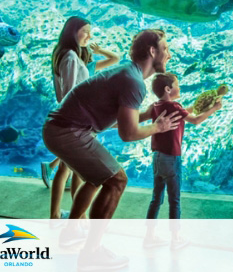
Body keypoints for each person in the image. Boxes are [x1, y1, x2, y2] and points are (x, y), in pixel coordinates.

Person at [42, 29, 182, 270]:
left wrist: (149, 114)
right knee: (116, 180)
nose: (168, 54)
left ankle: (71, 231)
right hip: (67, 132)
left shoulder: (128, 74)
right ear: (152, 51)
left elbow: (120, 118)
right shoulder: (133, 81)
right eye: (165, 48)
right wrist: (158, 127)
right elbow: (127, 133)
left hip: (62, 129)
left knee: (98, 178)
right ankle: (91, 252)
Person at [42, 16, 121, 220]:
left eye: (90, 31)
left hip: (77, 120)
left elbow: (114, 59)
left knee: (76, 171)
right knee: (67, 169)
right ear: (72, 31)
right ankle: (59, 215)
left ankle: (75, 215)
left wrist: (98, 51)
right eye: (85, 31)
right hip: (74, 121)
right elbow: (70, 93)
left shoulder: (75, 57)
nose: (89, 35)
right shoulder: (69, 57)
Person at [142, 72, 223, 249]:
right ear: (168, 89)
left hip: (157, 158)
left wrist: (194, 106)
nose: (180, 87)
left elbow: (182, 112)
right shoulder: (176, 106)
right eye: (177, 84)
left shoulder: (155, 106)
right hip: (172, 159)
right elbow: (195, 120)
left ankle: (149, 236)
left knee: (156, 198)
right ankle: (176, 238)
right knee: (174, 199)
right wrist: (213, 109)